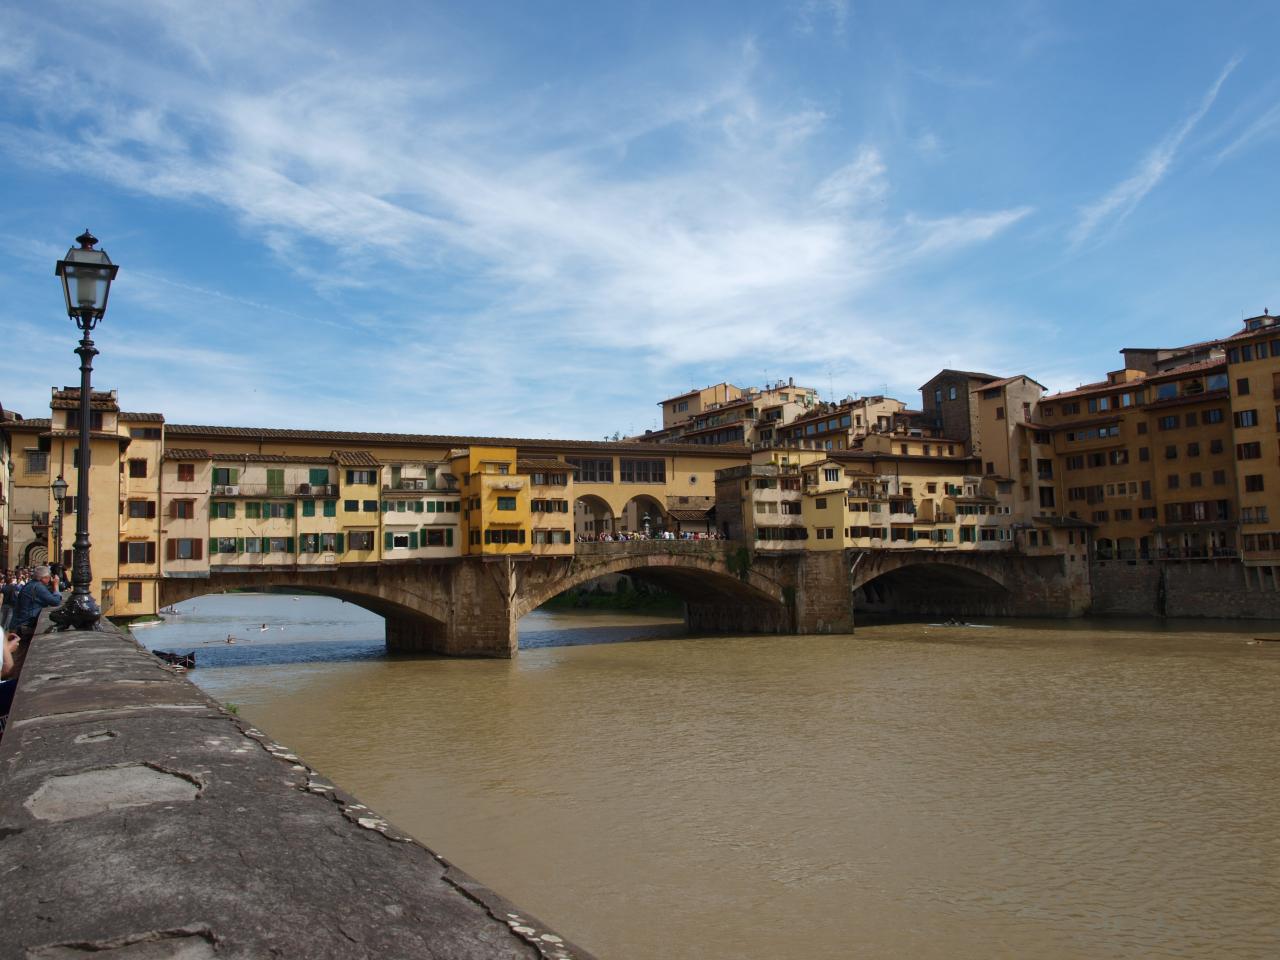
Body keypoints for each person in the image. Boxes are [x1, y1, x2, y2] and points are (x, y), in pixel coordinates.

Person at [11, 566, 63, 643]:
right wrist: (56, 586)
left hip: (20, 624)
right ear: (43, 578)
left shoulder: (31, 584)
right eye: (49, 577)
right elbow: (55, 601)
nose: (50, 579)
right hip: (26, 626)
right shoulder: (38, 587)